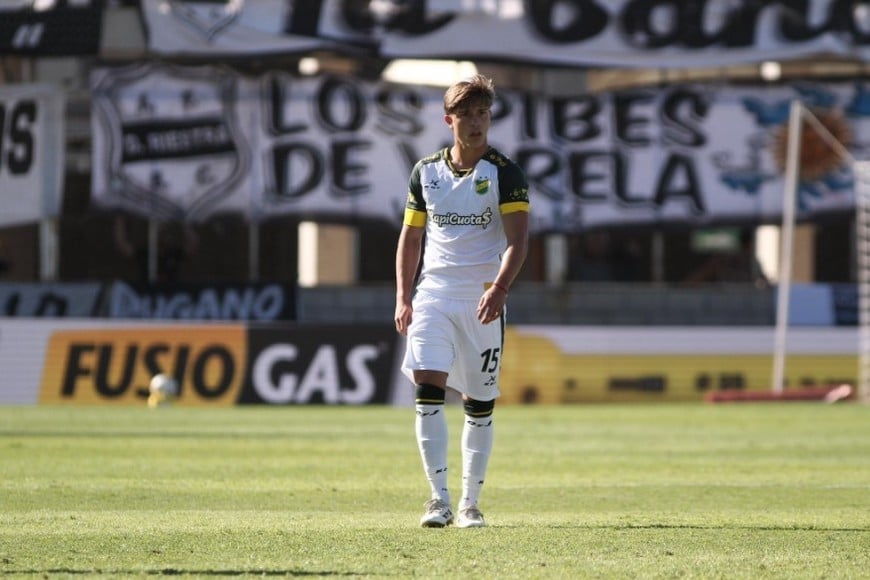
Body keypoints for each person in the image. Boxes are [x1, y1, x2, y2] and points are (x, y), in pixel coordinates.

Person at [394, 74, 530, 528]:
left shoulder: (505, 173)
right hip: (432, 296)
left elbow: (519, 241)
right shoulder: (425, 171)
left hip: (481, 300)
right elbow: (410, 237)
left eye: (483, 113)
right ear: (449, 119)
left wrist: (499, 287)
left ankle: (471, 503)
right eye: (467, 114)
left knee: (478, 400)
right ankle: (438, 499)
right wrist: (402, 296)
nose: (476, 123)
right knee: (427, 388)